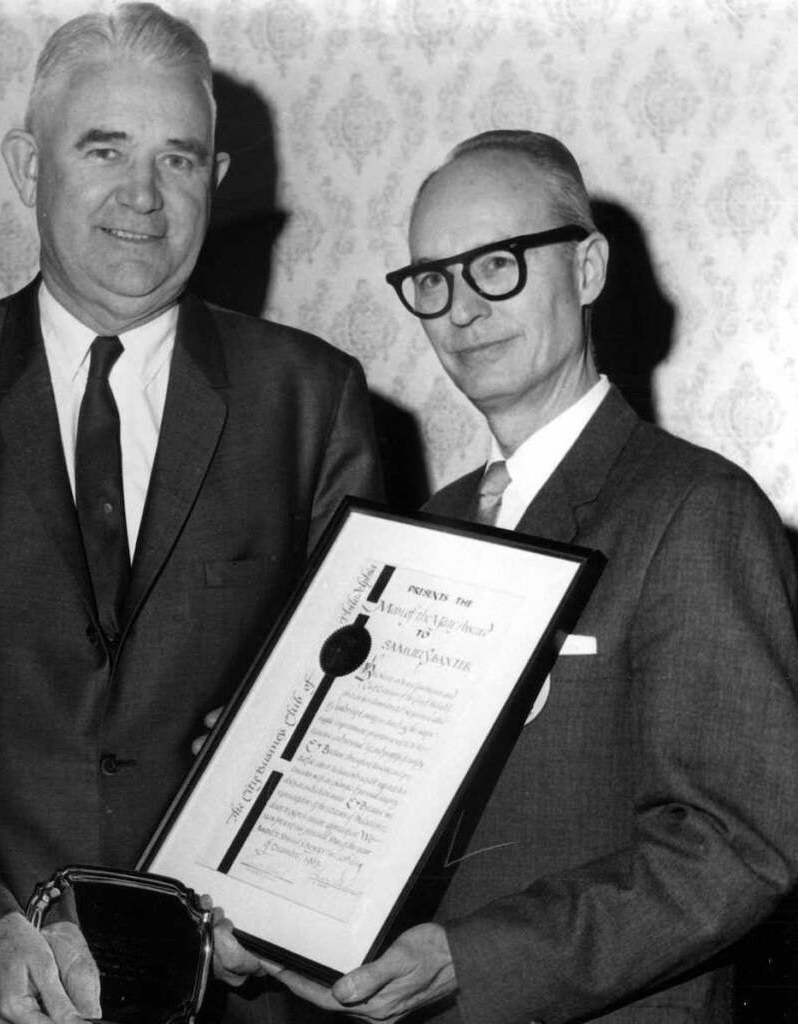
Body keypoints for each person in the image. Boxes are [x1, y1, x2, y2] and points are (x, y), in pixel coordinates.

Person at [0, 5, 381, 1023]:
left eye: (178, 160)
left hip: (232, 994)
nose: (142, 198)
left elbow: (356, 714)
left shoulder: (311, 400)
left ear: (217, 184)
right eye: (103, 149)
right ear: (28, 166)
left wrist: (277, 915)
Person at [213, 130, 798, 1023]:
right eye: (432, 279)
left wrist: (476, 961)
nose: (459, 309)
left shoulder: (695, 510)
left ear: (589, 267)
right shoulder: (427, 526)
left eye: (496, 265)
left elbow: (736, 843)